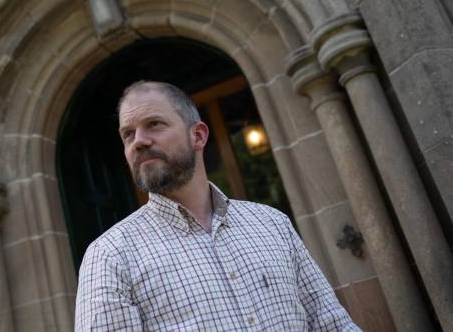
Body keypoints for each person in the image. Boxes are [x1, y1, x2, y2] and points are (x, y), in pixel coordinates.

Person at [75, 80, 360, 331]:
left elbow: (332, 324)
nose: (139, 141)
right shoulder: (111, 255)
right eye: (128, 134)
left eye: (154, 124)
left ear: (197, 135)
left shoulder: (273, 224)